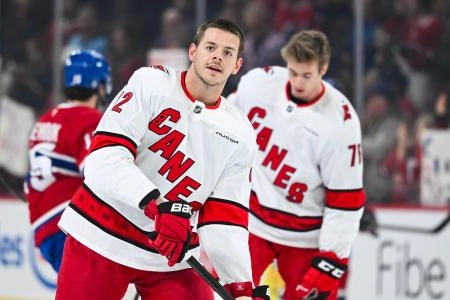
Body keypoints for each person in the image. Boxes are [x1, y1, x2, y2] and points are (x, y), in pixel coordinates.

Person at [56, 19, 269, 300]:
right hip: (101, 234)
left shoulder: (240, 132)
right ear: (193, 52)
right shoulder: (151, 83)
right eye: (211, 47)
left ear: (237, 65)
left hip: (169, 255)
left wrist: (241, 287)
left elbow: (225, 217)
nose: (218, 56)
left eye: (228, 53)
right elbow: (104, 158)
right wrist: (156, 205)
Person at [229, 30, 365, 300]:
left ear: (323, 69)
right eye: (292, 73)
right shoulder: (258, 85)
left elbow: (345, 203)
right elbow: (224, 126)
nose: (297, 83)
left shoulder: (341, 125)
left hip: (305, 238)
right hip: (254, 222)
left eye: (307, 75)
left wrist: (330, 259)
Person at [24, 49, 111, 272]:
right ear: (101, 86)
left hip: (44, 230)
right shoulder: (90, 120)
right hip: (71, 228)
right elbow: (98, 175)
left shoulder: (45, 120)